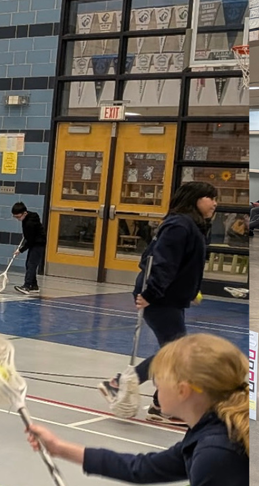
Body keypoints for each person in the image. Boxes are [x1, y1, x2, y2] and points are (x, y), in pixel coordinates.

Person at [30, 334, 247, 485]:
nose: (155, 383)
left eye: (158, 376)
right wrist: (59, 448)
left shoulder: (216, 454)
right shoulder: (208, 432)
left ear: (183, 390)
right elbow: (142, 468)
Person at [99, 181, 217, 425]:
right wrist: (151, 292)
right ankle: (131, 389)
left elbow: (183, 264)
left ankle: (158, 403)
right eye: (210, 198)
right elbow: (160, 262)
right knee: (176, 353)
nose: (215, 203)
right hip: (159, 298)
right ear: (195, 199)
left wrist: (190, 289)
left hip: (172, 298)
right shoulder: (179, 226)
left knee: (173, 352)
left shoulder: (191, 226)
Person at [10, 202, 46, 294]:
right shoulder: (30, 216)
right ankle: (34, 286)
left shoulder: (29, 223)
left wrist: (20, 250)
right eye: (15, 217)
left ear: (25, 213)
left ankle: (26, 286)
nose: (18, 219)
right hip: (34, 242)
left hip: (38, 243)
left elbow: (30, 241)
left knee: (31, 264)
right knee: (29, 264)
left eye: (18, 217)